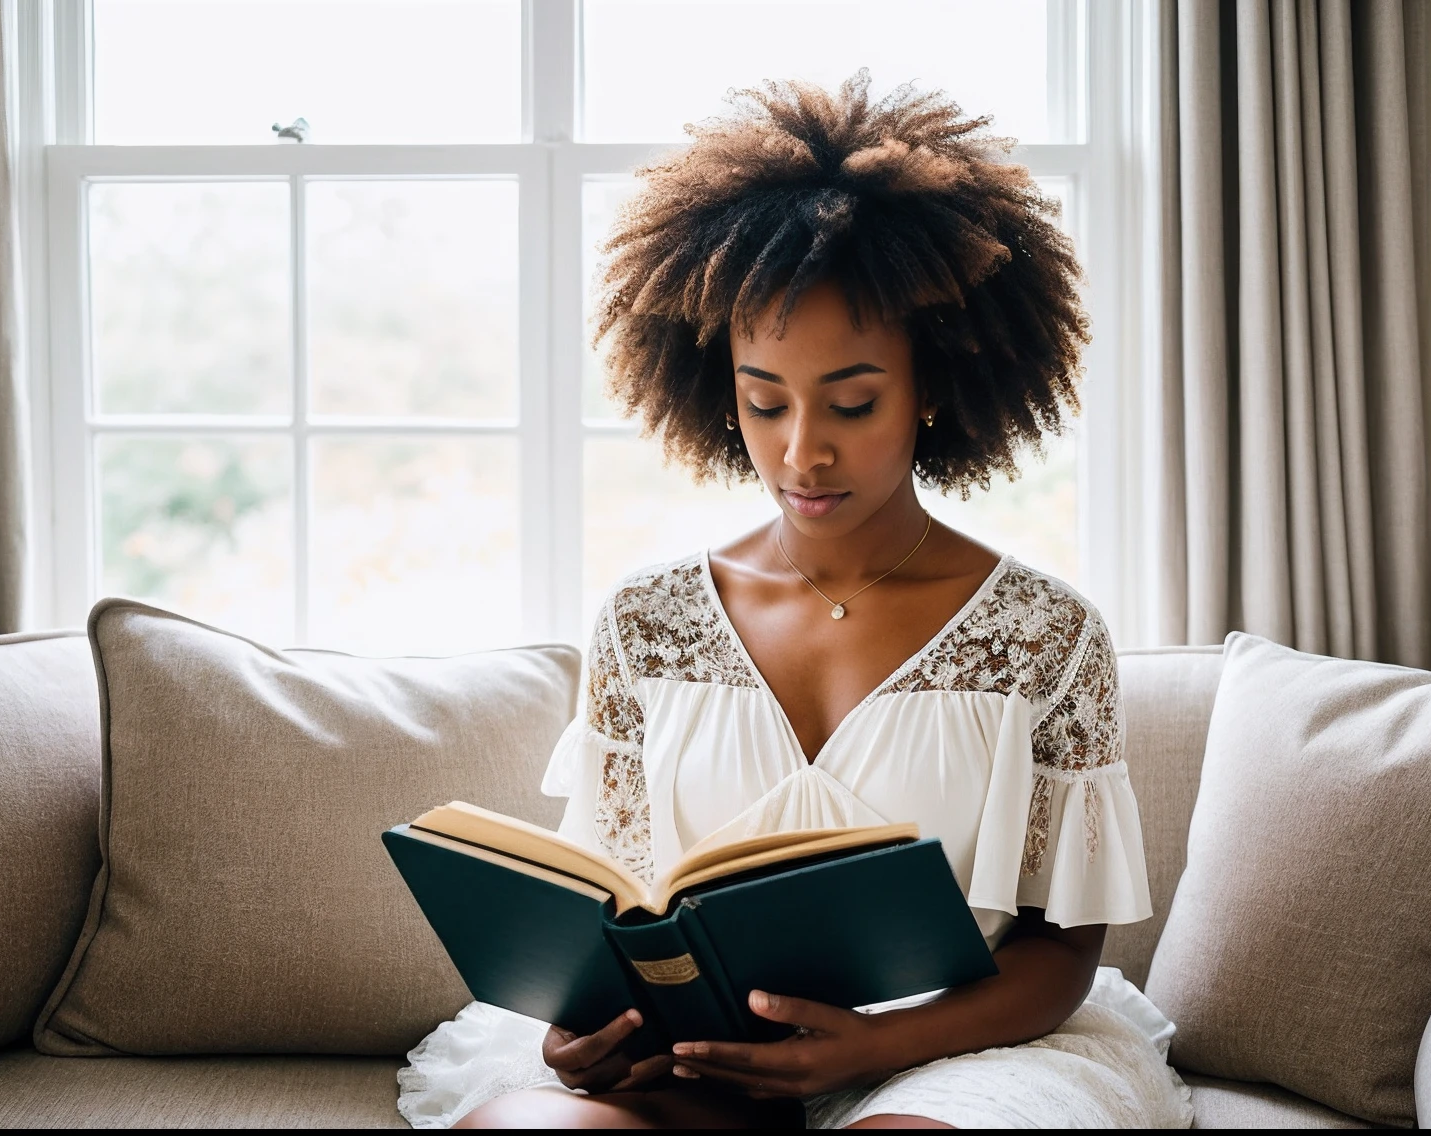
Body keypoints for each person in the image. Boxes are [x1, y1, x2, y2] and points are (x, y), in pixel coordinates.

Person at [398, 74, 1191, 1130]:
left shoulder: (1045, 636)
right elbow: (615, 914)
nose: (799, 450)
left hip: (946, 1053)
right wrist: (580, 1032)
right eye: (762, 399)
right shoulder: (644, 621)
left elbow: (1059, 956)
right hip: (701, 1063)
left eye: (852, 402)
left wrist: (869, 1046)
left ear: (936, 386)